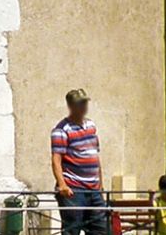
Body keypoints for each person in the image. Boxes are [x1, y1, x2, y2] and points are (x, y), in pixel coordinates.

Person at [51, 90, 107, 235]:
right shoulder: (61, 130)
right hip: (74, 190)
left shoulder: (91, 126)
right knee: (72, 230)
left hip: (94, 189)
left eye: (85, 103)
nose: (83, 107)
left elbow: (94, 155)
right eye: (80, 104)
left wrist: (100, 183)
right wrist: (62, 185)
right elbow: (56, 159)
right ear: (71, 106)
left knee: (102, 229)